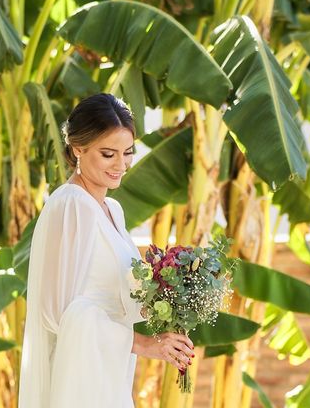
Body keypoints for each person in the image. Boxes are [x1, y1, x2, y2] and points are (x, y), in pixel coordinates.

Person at [18, 93, 195, 407]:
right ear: (78, 150)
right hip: (80, 375)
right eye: (107, 154)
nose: (121, 164)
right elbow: (59, 314)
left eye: (127, 152)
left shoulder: (112, 210)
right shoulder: (72, 205)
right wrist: (145, 344)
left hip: (110, 370)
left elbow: (114, 295)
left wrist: (173, 301)